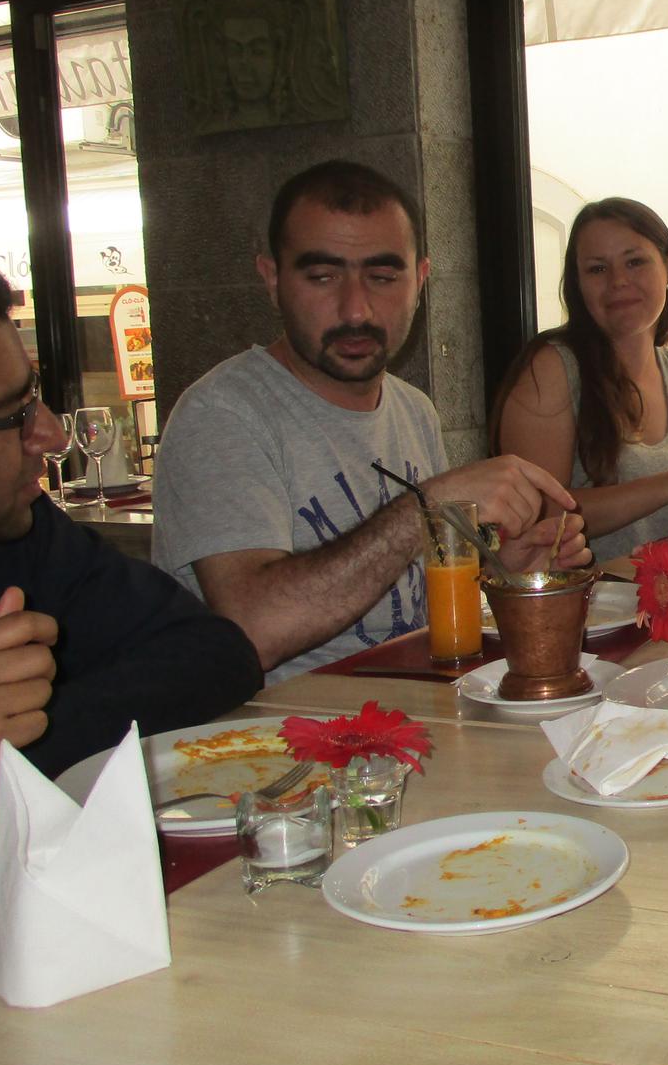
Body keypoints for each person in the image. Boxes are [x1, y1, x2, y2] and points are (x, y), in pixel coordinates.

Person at [0, 241, 263, 879]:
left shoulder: (11, 544)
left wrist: (10, 738)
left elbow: (215, 654)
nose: (53, 435)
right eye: (10, 417)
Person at [154, 161, 587, 683]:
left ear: (420, 281)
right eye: (322, 277)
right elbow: (253, 630)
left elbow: (413, 613)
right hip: (282, 730)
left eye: (382, 278)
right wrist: (428, 505)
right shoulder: (222, 415)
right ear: (272, 279)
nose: (356, 309)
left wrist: (504, 572)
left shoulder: (413, 409)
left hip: (418, 711)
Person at [491, 198, 668, 565]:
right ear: (578, 285)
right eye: (597, 269)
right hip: (587, 599)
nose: (618, 281)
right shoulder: (552, 368)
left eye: (634, 262)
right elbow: (536, 513)